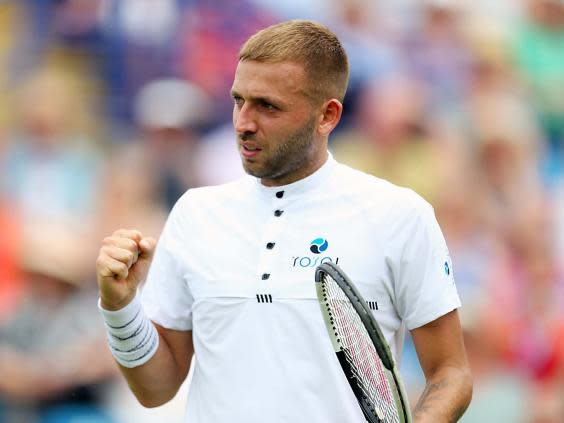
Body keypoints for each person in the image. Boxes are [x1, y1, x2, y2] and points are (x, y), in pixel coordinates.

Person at [96, 20, 473, 422]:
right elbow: (156, 390)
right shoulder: (195, 214)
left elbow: (451, 373)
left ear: (327, 116)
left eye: (267, 106)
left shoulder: (399, 215)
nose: (243, 122)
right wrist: (120, 308)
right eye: (239, 100)